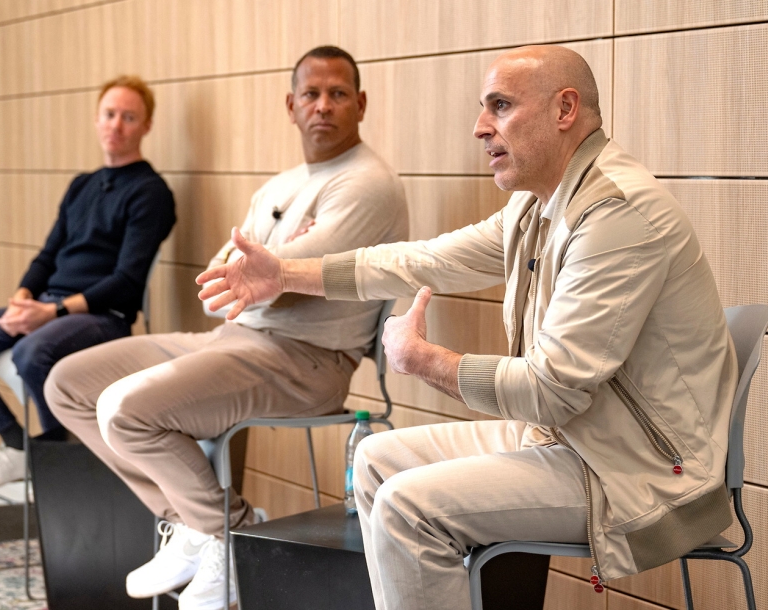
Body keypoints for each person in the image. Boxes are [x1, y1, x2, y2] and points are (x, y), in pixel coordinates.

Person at [197, 45, 738, 609]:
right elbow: (421, 259)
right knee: (378, 461)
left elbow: (552, 391)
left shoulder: (615, 216)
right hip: (573, 438)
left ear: (565, 109)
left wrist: (425, 360)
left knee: (408, 504)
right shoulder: (538, 206)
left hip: (635, 471)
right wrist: (284, 273)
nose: (480, 128)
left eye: (500, 106)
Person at [45, 46, 409, 609]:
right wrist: (279, 265)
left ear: (361, 104)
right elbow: (220, 294)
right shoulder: (279, 186)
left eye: (338, 94)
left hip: (305, 362)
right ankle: (195, 523)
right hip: (233, 340)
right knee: (67, 384)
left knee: (125, 410)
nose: (323, 106)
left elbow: (264, 283)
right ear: (290, 105)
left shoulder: (367, 183)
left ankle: (228, 534)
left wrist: (273, 269)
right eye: (311, 94)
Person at [0, 76, 176, 494]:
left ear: (146, 126)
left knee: (31, 352)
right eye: (109, 115)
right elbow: (47, 255)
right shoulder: (82, 185)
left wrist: (53, 312)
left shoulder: (151, 192)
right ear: (96, 120)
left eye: (129, 118)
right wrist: (23, 297)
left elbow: (127, 282)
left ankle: (61, 455)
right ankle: (19, 448)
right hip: (46, 307)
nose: (117, 125)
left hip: (100, 317)